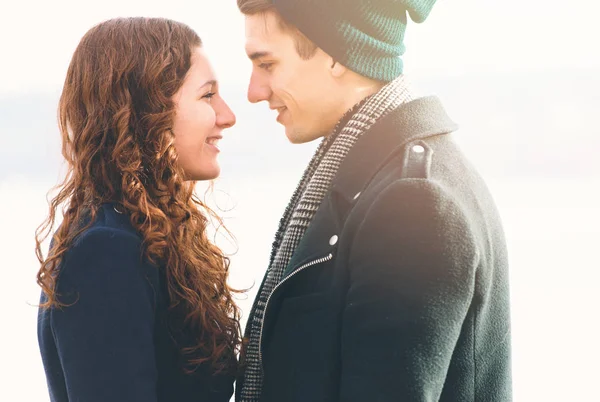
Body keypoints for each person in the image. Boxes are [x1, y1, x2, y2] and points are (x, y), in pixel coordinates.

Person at [235, 1, 512, 401]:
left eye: (267, 64)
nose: (253, 92)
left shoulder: (413, 202)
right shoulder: (377, 179)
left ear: (335, 54)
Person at [35, 17, 241, 402]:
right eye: (208, 96)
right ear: (148, 110)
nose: (227, 115)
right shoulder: (105, 248)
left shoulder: (139, 231)